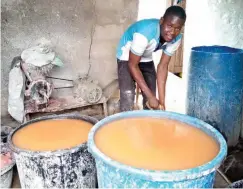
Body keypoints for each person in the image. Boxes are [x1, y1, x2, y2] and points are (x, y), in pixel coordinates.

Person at [116, 6, 186, 111]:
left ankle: (147, 123)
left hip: (145, 54)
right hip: (126, 55)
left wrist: (162, 103)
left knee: (151, 93)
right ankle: (125, 121)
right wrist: (150, 96)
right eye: (169, 26)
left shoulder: (176, 38)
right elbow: (132, 65)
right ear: (162, 21)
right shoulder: (145, 33)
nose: (172, 32)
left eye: (177, 28)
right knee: (128, 95)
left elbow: (163, 66)